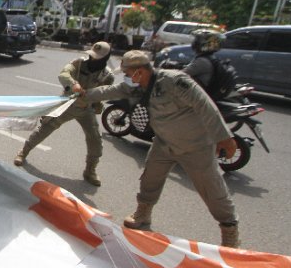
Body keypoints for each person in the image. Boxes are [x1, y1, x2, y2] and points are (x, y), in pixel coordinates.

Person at [79, 50, 240, 247]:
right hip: (164, 143)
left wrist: (224, 137)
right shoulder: (137, 87)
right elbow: (112, 90)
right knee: (150, 177)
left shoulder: (174, 81)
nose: (128, 79)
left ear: (140, 71)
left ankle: (229, 230)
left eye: (129, 74)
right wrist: (84, 95)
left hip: (195, 146)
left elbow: (204, 105)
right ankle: (143, 213)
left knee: (211, 188)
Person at [14, 42, 115, 186]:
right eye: (92, 56)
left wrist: (98, 102)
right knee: (46, 128)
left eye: (97, 58)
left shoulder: (108, 75)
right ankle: (23, 152)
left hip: (86, 109)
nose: (93, 59)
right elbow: (63, 73)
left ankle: (90, 170)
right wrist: (73, 83)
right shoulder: (79, 63)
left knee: (95, 139)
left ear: (105, 59)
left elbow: (106, 92)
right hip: (68, 104)